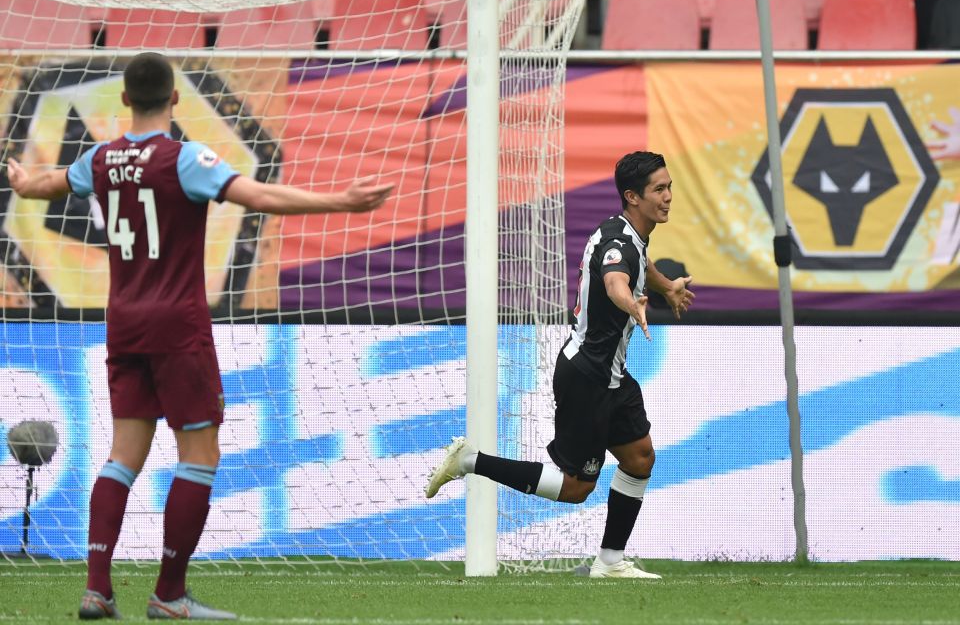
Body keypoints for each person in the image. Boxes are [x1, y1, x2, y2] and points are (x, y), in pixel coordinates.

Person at [6, 52, 393, 620]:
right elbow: (258, 197)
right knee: (200, 454)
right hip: (177, 326)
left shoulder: (101, 158)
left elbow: (43, 186)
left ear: (125, 100)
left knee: (121, 457)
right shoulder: (185, 159)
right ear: (176, 99)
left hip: (124, 323)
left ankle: (96, 589)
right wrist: (343, 201)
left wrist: (20, 177)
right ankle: (168, 594)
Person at [425, 151, 693, 578]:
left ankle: (609, 562)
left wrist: (665, 288)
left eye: (669, 186)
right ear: (633, 196)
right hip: (587, 377)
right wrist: (634, 305)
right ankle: (470, 460)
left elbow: (638, 267)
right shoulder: (620, 244)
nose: (668, 197)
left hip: (611, 376)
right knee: (575, 488)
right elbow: (616, 281)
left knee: (640, 458)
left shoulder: (625, 231)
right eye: (659, 189)